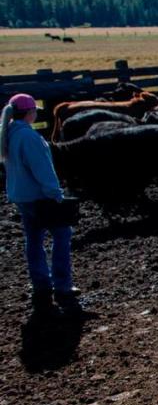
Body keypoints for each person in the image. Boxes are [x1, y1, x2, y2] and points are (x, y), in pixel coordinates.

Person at [0, 93, 79, 315]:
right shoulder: (29, 137)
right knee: (62, 235)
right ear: (30, 112)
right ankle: (62, 286)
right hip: (39, 197)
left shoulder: (8, 134)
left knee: (33, 239)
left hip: (21, 196)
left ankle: (41, 285)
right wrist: (55, 193)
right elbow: (42, 169)